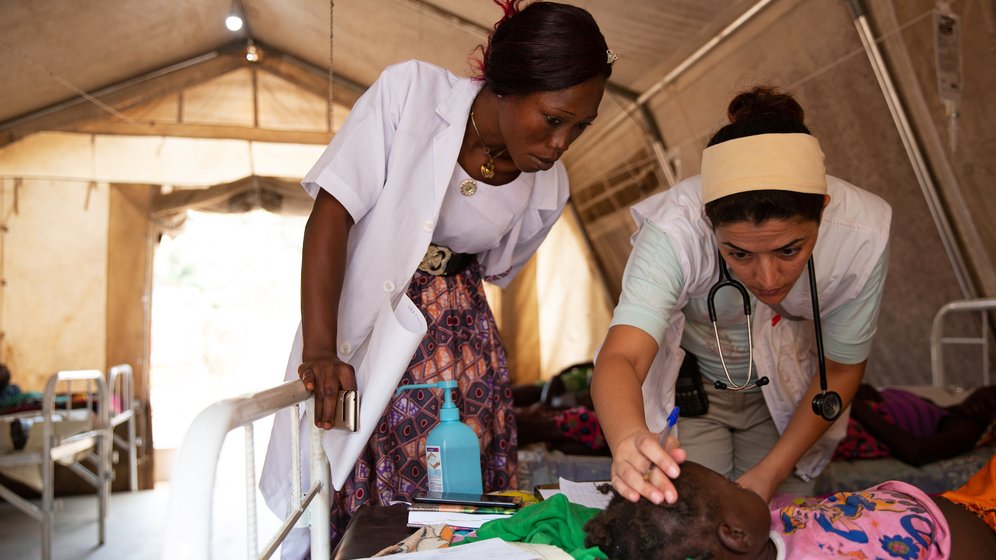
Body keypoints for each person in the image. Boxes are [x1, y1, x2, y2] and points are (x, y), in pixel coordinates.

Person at [259, 0, 614, 552]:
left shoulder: (549, 186)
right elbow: (332, 212)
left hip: (465, 348)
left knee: (462, 502)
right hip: (374, 332)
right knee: (373, 489)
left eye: (579, 127)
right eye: (553, 119)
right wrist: (322, 351)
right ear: (509, 84)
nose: (561, 144)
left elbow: (497, 268)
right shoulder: (412, 95)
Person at [590, 87, 892, 506]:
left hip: (788, 400)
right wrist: (628, 439)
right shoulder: (675, 229)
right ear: (708, 221)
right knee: (694, 518)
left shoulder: (863, 235)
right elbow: (622, 356)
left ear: (823, 209)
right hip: (698, 399)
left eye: (790, 250)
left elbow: (840, 372)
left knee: (776, 523)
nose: (767, 278)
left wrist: (769, 475)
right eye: (739, 253)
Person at [584, 459, 996, 559]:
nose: (744, 483)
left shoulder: (768, 528)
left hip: (954, 504)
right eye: (733, 485)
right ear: (735, 535)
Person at [837, 383, 996, 466]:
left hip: (849, 419)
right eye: (992, 393)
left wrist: (853, 404)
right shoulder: (932, 406)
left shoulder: (967, 428)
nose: (989, 402)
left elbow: (915, 451)